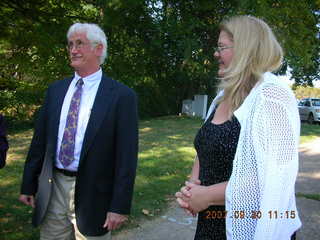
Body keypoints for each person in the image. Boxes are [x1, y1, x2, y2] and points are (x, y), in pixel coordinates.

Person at [176, 15, 301, 240]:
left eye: (221, 47)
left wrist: (206, 196)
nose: (215, 54)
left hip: (249, 225)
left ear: (245, 50)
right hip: (211, 223)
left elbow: (272, 177)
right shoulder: (223, 96)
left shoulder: (271, 96)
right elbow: (204, 147)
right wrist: (192, 188)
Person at [19, 23, 139, 240]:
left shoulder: (121, 96)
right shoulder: (55, 91)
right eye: (70, 44)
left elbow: (126, 157)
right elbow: (39, 142)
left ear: (99, 49)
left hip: (94, 195)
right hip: (54, 187)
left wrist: (119, 206)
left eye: (80, 44)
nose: (73, 50)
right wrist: (28, 184)